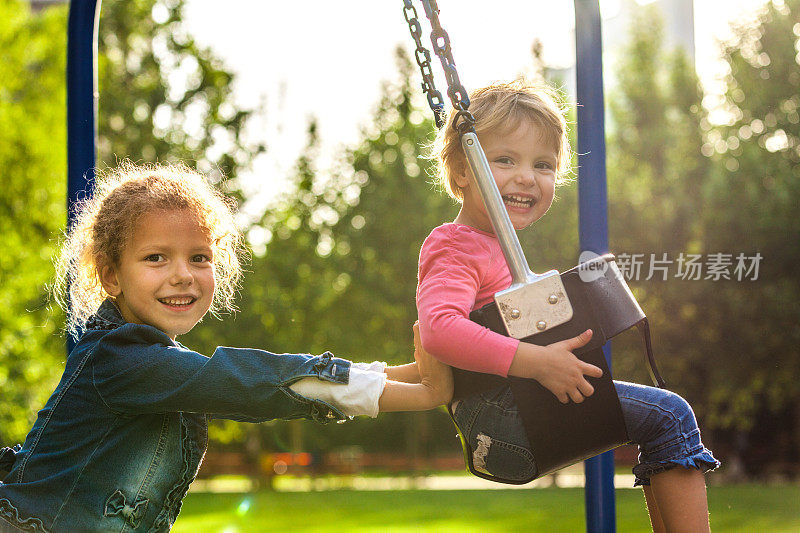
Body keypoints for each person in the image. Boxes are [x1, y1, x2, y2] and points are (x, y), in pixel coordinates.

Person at [0, 162, 452, 533]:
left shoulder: (152, 362)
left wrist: (410, 372)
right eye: (156, 257)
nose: (183, 274)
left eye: (199, 257)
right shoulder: (119, 358)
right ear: (111, 276)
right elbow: (248, 382)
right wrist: (425, 395)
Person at [416, 80, 719, 532]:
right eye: (504, 160)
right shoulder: (456, 246)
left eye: (543, 165)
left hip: (512, 409)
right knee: (671, 416)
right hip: (505, 415)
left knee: (662, 426)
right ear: (462, 170)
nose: (526, 176)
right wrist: (536, 361)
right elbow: (439, 330)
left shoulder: (493, 248)